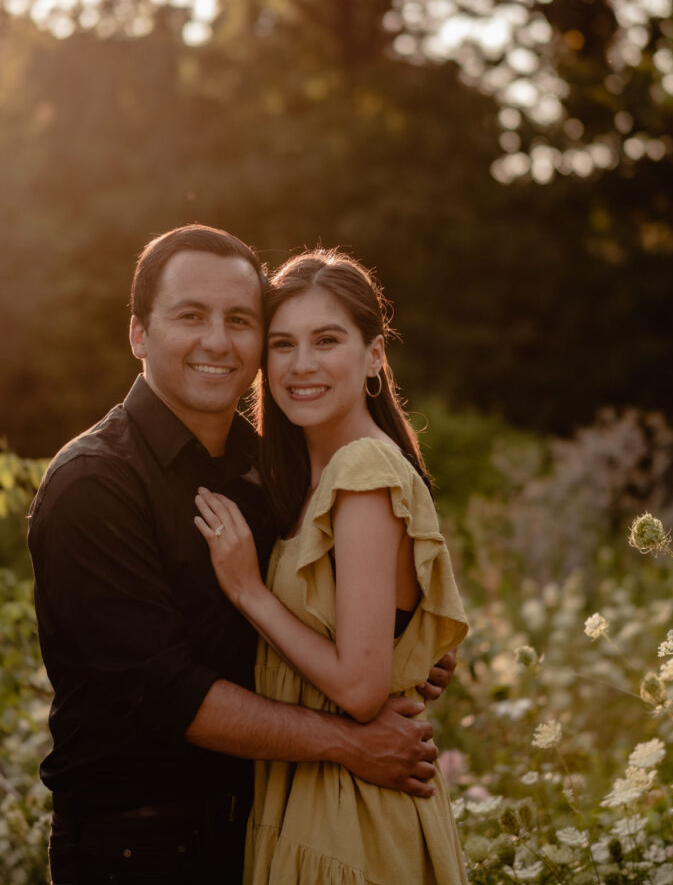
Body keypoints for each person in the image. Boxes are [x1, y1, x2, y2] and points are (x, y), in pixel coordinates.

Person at [27, 225, 458, 885]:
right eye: (190, 317)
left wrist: (403, 647)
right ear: (139, 335)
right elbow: (165, 691)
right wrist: (352, 743)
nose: (218, 342)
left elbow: (335, 619)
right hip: (137, 848)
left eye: (240, 321)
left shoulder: (267, 471)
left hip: (263, 829)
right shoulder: (95, 485)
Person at [194, 249, 470, 885]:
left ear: (374, 355)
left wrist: (248, 591)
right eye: (283, 344)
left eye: (327, 340)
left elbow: (360, 688)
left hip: (355, 818)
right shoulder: (308, 476)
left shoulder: (362, 472)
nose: (302, 365)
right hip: (315, 798)